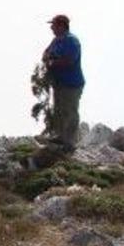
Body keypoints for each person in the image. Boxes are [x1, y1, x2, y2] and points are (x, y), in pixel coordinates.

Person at [41, 14, 85, 148]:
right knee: (59, 109)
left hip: (72, 83)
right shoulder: (56, 40)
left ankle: (70, 141)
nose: (51, 28)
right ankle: (60, 136)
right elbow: (46, 52)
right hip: (59, 83)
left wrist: (52, 63)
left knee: (70, 110)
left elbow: (69, 60)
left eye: (53, 25)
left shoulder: (72, 41)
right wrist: (47, 58)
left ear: (61, 26)